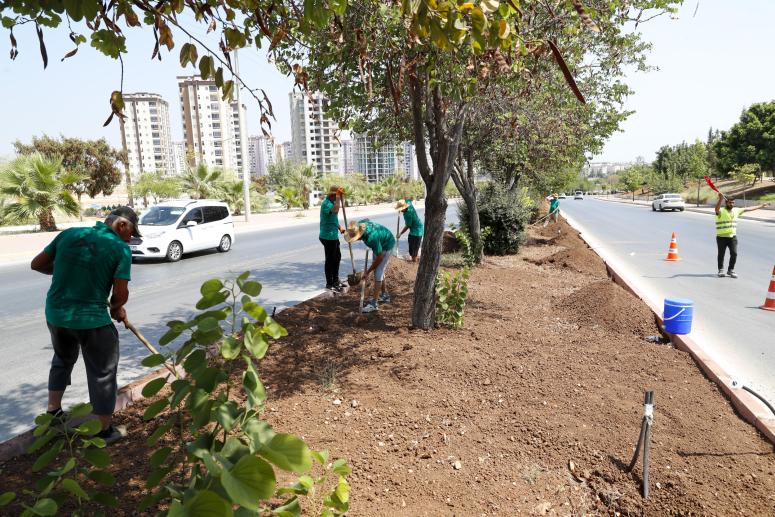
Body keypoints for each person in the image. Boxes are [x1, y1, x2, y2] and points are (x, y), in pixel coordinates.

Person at [30, 206, 140, 443]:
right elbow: (120, 293)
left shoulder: (69, 234)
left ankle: (53, 412)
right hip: (92, 321)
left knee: (62, 358)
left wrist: (68, 271)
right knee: (103, 372)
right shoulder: (120, 248)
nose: (130, 239)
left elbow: (37, 264)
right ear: (121, 225)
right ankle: (103, 431)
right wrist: (116, 309)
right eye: (131, 233)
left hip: (57, 315)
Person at [345, 219, 396, 313]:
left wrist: (367, 272)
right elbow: (367, 220)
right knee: (379, 270)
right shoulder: (360, 225)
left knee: (378, 272)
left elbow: (380, 256)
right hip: (379, 244)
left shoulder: (371, 238)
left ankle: (374, 304)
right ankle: (385, 295)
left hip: (387, 245)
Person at [714, 193, 770, 278]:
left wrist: (761, 206)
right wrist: (720, 199)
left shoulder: (736, 210)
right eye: (730, 202)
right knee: (721, 254)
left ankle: (730, 270)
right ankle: (720, 270)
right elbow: (716, 210)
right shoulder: (721, 211)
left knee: (734, 253)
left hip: (732, 237)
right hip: (721, 237)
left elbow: (748, 209)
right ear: (726, 203)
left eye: (733, 202)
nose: (731, 204)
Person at [319, 185, 346, 291]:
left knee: (337, 257)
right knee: (330, 259)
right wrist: (339, 198)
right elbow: (335, 211)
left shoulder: (333, 203)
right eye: (337, 195)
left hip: (333, 234)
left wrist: (339, 227)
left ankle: (335, 280)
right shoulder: (326, 204)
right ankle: (329, 283)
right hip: (327, 236)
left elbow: (333, 218)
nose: (338, 197)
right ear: (333, 195)